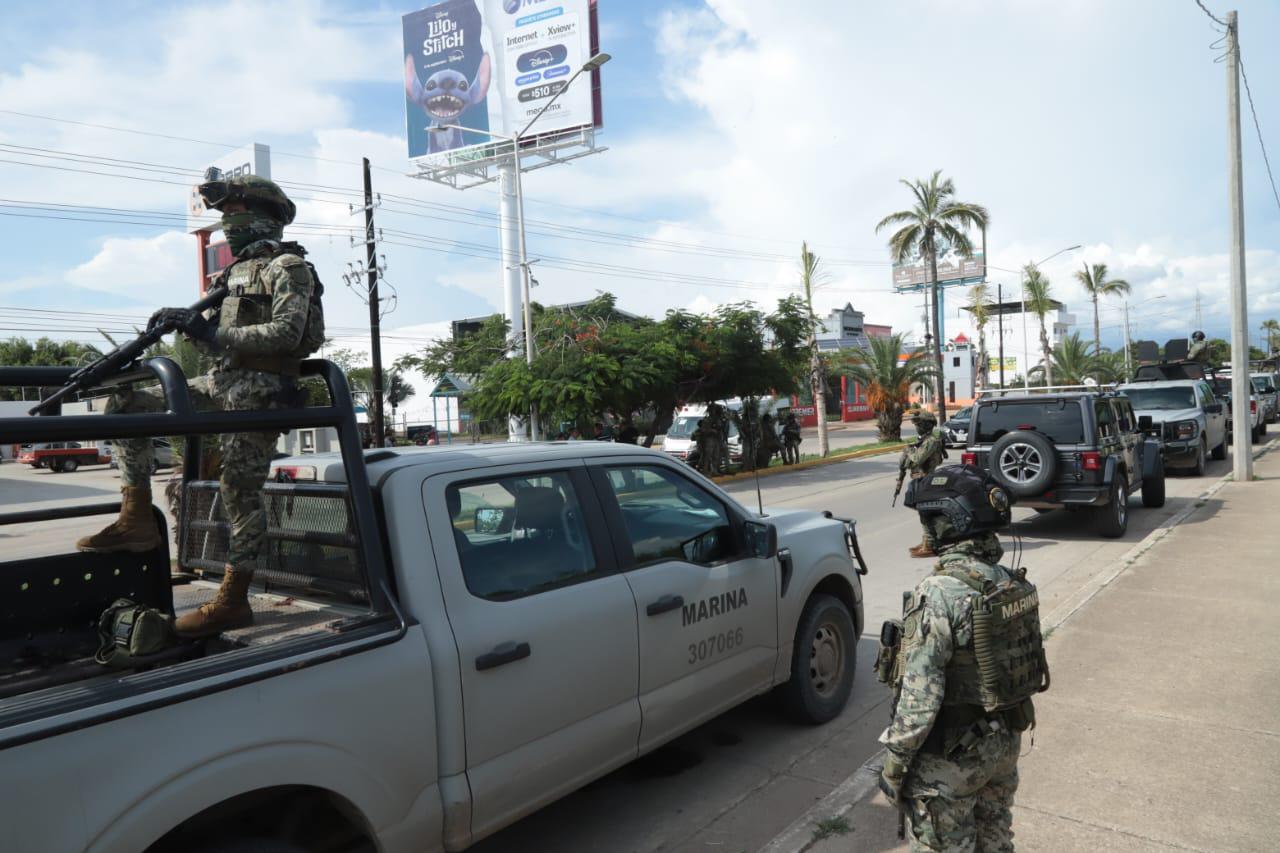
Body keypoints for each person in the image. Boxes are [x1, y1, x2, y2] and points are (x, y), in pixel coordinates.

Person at [76, 170, 324, 638]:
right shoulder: (235, 272)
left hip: (261, 392)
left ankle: (233, 599)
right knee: (127, 401)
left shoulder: (287, 267)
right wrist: (187, 322)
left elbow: (289, 334)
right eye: (225, 214)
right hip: (223, 381)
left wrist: (210, 331)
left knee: (237, 490)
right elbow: (216, 343)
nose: (229, 222)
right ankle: (136, 518)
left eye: (236, 211)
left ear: (268, 215)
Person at [878, 464, 1048, 851]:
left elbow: (920, 697)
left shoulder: (940, 592)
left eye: (930, 520)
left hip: (952, 759)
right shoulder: (1007, 579)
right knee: (995, 839)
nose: (927, 530)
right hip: (1002, 742)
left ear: (948, 524)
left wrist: (895, 765)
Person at [902, 408, 947, 558]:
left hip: (926, 480)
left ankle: (930, 544)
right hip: (921, 479)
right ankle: (927, 541)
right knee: (923, 513)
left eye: (919, 423)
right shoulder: (924, 440)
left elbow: (918, 459)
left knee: (925, 513)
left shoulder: (931, 441)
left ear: (928, 425)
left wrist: (908, 450)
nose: (916, 426)